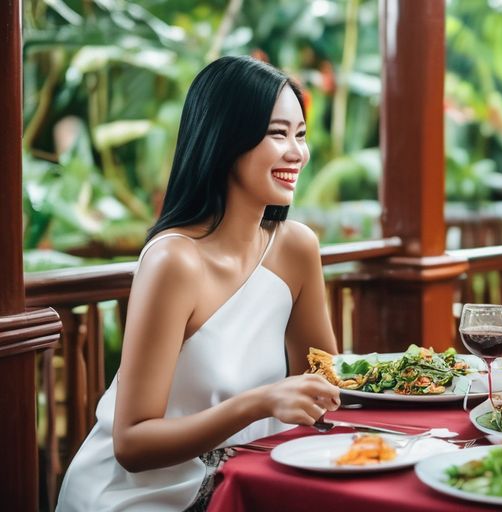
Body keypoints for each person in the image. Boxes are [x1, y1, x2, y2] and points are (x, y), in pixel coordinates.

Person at [57, 56, 341, 511]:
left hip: (244, 484)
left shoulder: (297, 248)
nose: (297, 152)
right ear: (226, 139)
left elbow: (325, 377)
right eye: (277, 134)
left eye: (301, 135)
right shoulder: (174, 261)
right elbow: (132, 444)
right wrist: (261, 402)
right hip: (144, 496)